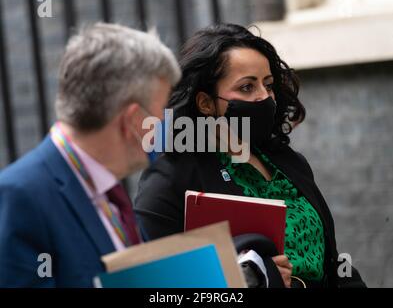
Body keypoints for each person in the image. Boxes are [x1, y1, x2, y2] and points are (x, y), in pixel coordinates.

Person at [134, 23, 366, 288]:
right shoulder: (171, 177)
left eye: (268, 85)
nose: (264, 97)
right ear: (206, 103)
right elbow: (158, 280)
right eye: (247, 88)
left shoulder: (288, 162)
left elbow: (335, 263)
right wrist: (253, 275)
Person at [0, 23, 181, 287]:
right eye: (162, 112)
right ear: (132, 121)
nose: (167, 125)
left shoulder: (108, 189)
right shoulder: (19, 197)